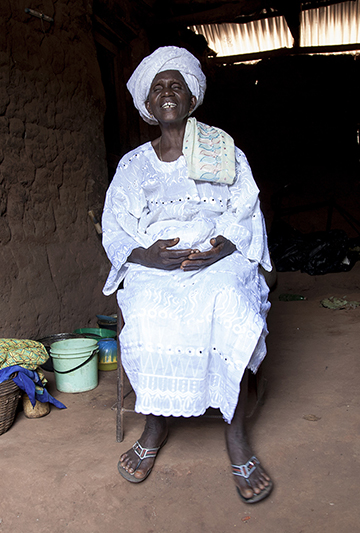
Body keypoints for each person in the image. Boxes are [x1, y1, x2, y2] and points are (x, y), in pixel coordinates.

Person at [101, 46, 273, 503]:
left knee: (229, 300)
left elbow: (246, 206)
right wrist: (145, 256)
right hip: (157, 261)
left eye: (176, 85)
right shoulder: (134, 165)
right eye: (158, 87)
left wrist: (223, 249)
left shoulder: (222, 147)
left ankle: (235, 435)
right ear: (148, 104)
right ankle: (155, 425)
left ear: (192, 98)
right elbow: (116, 224)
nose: (167, 92)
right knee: (143, 307)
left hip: (217, 252)